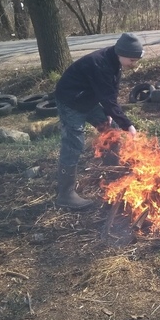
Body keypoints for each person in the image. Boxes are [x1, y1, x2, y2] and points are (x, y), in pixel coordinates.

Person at [54, 33, 144, 210]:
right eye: (132, 60)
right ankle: (65, 194)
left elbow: (112, 92)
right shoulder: (100, 63)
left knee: (111, 131)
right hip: (71, 101)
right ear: (121, 52)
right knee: (74, 143)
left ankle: (113, 174)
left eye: (136, 60)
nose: (134, 64)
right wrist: (129, 125)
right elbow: (107, 97)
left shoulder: (115, 62)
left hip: (89, 99)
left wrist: (110, 113)